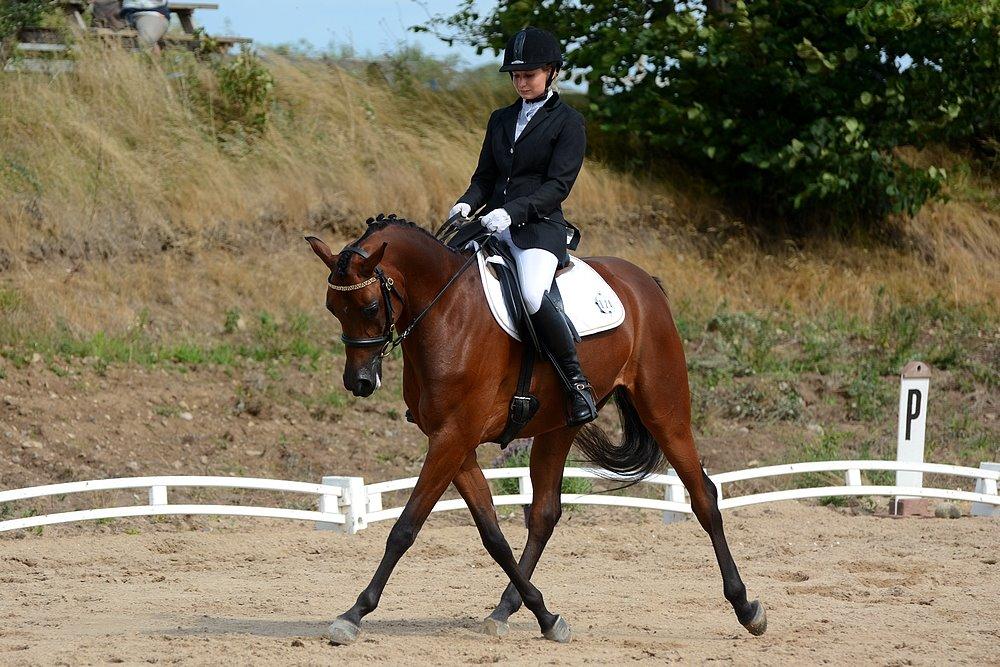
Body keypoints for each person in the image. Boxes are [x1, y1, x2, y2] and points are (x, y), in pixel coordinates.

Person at [450, 27, 597, 426]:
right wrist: (467, 202)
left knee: (533, 293)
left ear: (551, 72)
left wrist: (512, 212)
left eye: (529, 74)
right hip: (490, 225)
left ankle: (576, 382)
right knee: (446, 276)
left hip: (538, 228)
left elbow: (558, 186)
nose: (521, 82)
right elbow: (485, 177)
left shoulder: (569, 122)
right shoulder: (500, 119)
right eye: (515, 76)